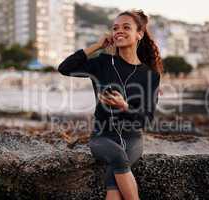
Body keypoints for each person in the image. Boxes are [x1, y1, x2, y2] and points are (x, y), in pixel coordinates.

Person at [58, 9, 163, 200]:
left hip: (132, 139)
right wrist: (97, 46)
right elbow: (65, 68)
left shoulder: (150, 76)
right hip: (102, 136)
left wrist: (124, 106)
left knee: (114, 186)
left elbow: (146, 120)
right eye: (115, 28)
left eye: (126, 27)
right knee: (117, 157)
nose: (119, 31)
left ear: (139, 34)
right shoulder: (103, 63)